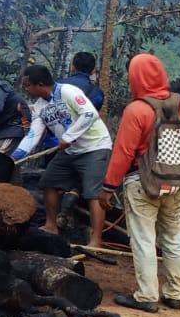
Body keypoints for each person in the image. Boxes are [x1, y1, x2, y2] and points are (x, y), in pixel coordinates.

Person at [103, 53, 180, 313]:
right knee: (175, 238)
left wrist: (108, 186)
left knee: (144, 239)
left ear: (136, 77)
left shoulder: (137, 109)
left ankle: (147, 296)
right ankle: (175, 293)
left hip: (143, 182)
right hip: (178, 182)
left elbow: (123, 152)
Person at [11, 64, 114, 247]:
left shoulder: (68, 92)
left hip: (94, 147)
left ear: (40, 84)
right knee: (48, 182)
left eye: (28, 85)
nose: (26, 89)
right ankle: (51, 226)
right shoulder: (40, 106)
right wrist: (15, 156)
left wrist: (69, 136)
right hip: (69, 150)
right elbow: (33, 134)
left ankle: (96, 240)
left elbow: (89, 114)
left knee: (92, 193)